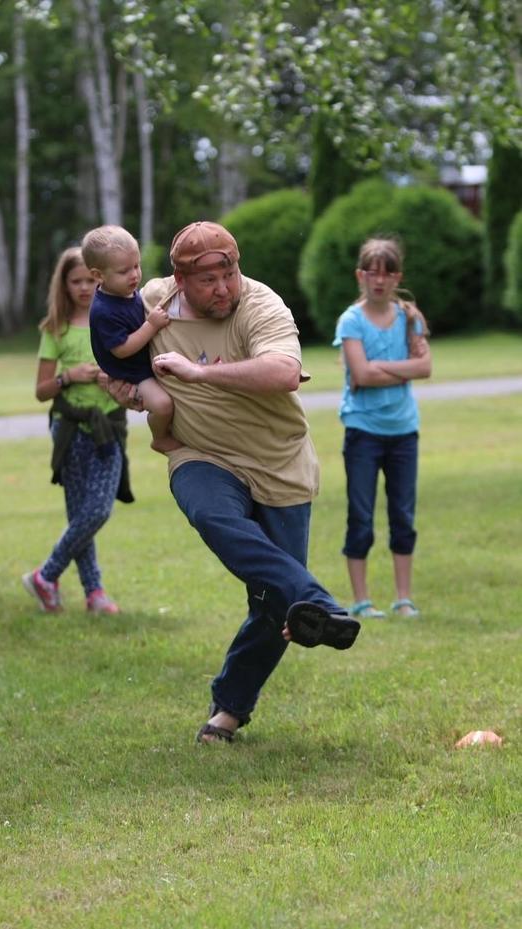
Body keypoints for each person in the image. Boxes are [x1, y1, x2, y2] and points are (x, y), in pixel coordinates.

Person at [106, 220, 361, 744]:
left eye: (230, 273)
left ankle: (231, 706)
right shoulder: (151, 302)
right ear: (179, 280)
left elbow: (283, 373)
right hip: (199, 454)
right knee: (214, 515)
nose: (223, 288)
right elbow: (111, 351)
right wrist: (127, 389)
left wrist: (199, 375)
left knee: (275, 605)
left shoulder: (261, 306)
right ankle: (316, 601)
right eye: (208, 280)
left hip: (279, 462)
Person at [22, 245, 133, 616]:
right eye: (76, 281)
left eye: (90, 279)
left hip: (109, 426)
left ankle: (45, 575)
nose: (84, 287)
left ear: (101, 277)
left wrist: (113, 376)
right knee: (81, 514)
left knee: (98, 509)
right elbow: (40, 391)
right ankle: (95, 593)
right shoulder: (56, 329)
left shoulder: (115, 318)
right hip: (69, 429)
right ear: (64, 284)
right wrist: (69, 376)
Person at [333, 236, 432, 620]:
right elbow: (360, 373)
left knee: (403, 516)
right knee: (360, 514)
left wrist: (379, 371)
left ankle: (403, 598)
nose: (379, 280)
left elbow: (425, 368)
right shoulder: (351, 321)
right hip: (363, 431)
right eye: (372, 272)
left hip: (404, 431)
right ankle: (361, 600)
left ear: (397, 277)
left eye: (387, 273)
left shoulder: (410, 317)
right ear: (360, 275)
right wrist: (397, 370)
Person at [83, 224, 181, 454]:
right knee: (163, 405)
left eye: (136, 266)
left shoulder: (126, 292)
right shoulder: (103, 310)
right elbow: (122, 349)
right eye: (124, 271)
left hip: (143, 362)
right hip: (131, 373)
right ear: (98, 275)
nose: (135, 274)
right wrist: (152, 325)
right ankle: (160, 437)